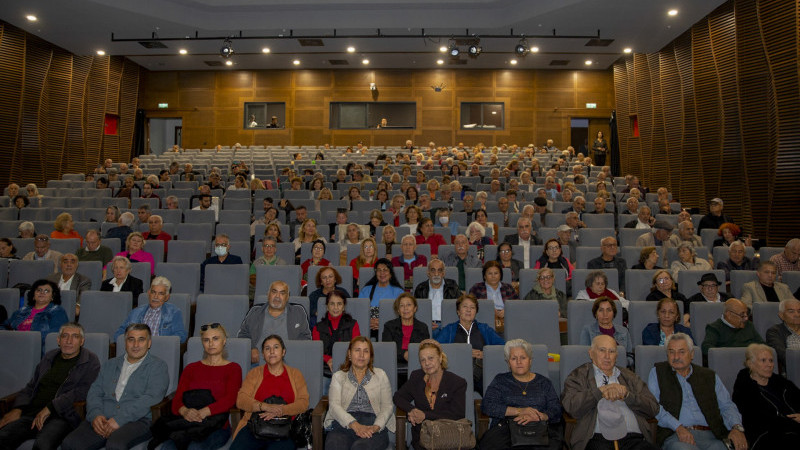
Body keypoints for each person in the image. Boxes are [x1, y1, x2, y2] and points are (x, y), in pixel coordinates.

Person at [61, 324, 169, 450]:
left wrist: (118, 420)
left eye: (141, 340)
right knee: (69, 443)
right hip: (103, 417)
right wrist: (96, 414)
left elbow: (151, 398)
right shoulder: (110, 364)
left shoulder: (158, 366)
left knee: (115, 445)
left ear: (149, 343)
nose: (135, 345)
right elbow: (95, 392)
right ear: (125, 342)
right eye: (131, 339)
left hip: (137, 420)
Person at [0, 323, 101, 450]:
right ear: (58, 340)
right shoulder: (49, 357)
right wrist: (18, 409)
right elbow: (31, 386)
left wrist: (51, 407)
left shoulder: (90, 360)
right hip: (31, 414)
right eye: (65, 336)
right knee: (2, 437)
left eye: (75, 337)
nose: (69, 341)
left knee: (42, 446)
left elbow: (83, 391)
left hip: (61, 416)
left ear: (82, 341)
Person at [647, 333, 748, 450]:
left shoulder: (709, 376)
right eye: (671, 352)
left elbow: (726, 405)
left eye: (681, 352)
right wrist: (678, 427)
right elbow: (654, 407)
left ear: (692, 354)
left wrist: (736, 427)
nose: (676, 357)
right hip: (676, 435)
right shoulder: (658, 372)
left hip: (712, 436)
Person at [150, 323, 242, 450]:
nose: (211, 343)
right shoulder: (191, 369)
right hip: (187, 423)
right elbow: (177, 400)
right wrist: (185, 411)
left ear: (224, 341)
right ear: (202, 343)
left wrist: (204, 412)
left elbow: (230, 399)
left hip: (216, 426)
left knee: (195, 448)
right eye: (206, 340)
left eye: (215, 339)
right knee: (167, 447)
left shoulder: (233, 368)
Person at [561, 335, 660, 450]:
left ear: (616, 356)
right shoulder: (578, 376)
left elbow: (653, 408)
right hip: (597, 439)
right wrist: (599, 392)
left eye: (612, 351)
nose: (607, 356)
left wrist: (628, 396)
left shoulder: (630, 377)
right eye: (602, 350)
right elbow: (571, 406)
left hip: (635, 439)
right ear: (591, 353)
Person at [229, 334, 309, 450]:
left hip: (284, 428)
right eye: (267, 348)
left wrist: (281, 410)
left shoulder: (295, 374)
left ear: (283, 352)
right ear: (263, 354)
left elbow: (303, 403)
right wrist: (264, 406)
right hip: (255, 427)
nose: (271, 351)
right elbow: (241, 400)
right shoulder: (254, 373)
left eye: (276, 347)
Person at [480, 339, 563, 450]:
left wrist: (540, 416)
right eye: (514, 358)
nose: (519, 362)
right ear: (508, 362)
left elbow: (556, 409)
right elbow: (487, 406)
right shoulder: (500, 381)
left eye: (523, 358)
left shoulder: (544, 382)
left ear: (530, 360)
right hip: (507, 432)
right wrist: (519, 411)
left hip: (539, 430)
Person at [392, 339, 467, 450]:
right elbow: (398, 397)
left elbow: (457, 414)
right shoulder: (416, 377)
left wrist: (425, 415)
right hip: (423, 439)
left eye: (431, 358)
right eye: (423, 360)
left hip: (449, 438)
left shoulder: (457, 382)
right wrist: (412, 410)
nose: (427, 363)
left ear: (440, 358)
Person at [324, 336, 394, 449]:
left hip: (373, 424)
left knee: (361, 447)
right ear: (349, 354)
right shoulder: (339, 376)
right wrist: (355, 425)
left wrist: (375, 427)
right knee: (334, 445)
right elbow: (334, 406)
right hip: (344, 424)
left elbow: (387, 406)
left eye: (366, 351)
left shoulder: (381, 375)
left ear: (370, 356)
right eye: (357, 350)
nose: (361, 355)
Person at [732, 343, 800, 448]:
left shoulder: (782, 383)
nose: (769, 365)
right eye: (763, 360)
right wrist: (791, 422)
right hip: (766, 436)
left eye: (771, 360)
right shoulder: (744, 387)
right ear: (750, 364)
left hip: (792, 430)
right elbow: (756, 419)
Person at [435, 294, 505, 394]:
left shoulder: (484, 329)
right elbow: (436, 349)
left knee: (493, 388)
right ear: (458, 311)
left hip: (481, 373)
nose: (469, 310)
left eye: (472, 307)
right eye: (465, 307)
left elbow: (503, 347)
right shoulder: (449, 330)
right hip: (457, 371)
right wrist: (464, 353)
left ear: (475, 312)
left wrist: (486, 354)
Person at [238, 281, 312, 365]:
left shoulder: (298, 312)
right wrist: (251, 348)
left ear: (287, 297)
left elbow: (306, 338)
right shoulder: (255, 312)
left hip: (288, 364)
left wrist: (291, 354)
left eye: (282, 293)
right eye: (274, 292)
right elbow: (243, 335)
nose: (277, 296)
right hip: (259, 363)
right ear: (268, 294)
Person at [113, 277, 188, 343]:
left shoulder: (173, 312)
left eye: (160, 294)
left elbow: (181, 336)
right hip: (136, 349)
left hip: (160, 350)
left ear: (167, 297)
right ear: (149, 293)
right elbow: (119, 334)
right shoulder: (136, 312)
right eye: (153, 292)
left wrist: (162, 343)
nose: (156, 296)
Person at [3, 279, 68, 350]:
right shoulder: (22, 310)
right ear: (33, 295)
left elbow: (55, 333)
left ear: (52, 296)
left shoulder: (57, 311)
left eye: (46, 291)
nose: (42, 293)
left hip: (37, 349)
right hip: (13, 345)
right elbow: (5, 325)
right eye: (39, 290)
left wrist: (27, 339)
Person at [312, 290, 361, 374]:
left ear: (343, 307)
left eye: (339, 304)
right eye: (332, 304)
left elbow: (356, 348)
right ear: (327, 306)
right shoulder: (317, 327)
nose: (335, 307)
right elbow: (316, 351)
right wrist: (328, 360)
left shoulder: (353, 324)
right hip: (324, 369)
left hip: (348, 368)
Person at [579, 297, 633, 367]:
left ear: (613, 313)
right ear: (596, 314)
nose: (605, 314)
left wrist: (621, 362)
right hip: (597, 369)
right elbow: (585, 356)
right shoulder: (588, 330)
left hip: (620, 369)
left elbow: (630, 357)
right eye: (601, 310)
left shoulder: (623, 331)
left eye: (609, 310)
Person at [468, 261, 518, 333]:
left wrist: (507, 310)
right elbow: (470, 306)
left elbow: (517, 305)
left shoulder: (508, 288)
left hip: (506, 320)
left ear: (500, 275)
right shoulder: (477, 288)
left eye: (496, 273)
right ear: (484, 276)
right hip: (485, 320)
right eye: (490, 273)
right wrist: (489, 310)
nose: (493, 276)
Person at [362, 258, 405, 338]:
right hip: (368, 327)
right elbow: (360, 312)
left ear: (390, 273)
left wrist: (382, 322)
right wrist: (368, 321)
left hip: (391, 328)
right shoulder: (366, 290)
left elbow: (403, 314)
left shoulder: (399, 292)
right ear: (376, 272)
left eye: (385, 270)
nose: (382, 273)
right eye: (379, 270)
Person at [413, 259, 460, 331]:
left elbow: (460, 308)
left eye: (440, 270)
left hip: (448, 326)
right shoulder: (420, 288)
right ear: (428, 273)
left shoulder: (453, 287)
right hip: (427, 326)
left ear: (443, 273)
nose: (436, 274)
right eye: (433, 270)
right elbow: (415, 311)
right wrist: (426, 323)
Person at [382, 293, 431, 363]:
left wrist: (412, 356)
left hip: (417, 363)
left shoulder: (423, 327)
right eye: (402, 305)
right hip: (394, 362)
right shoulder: (389, 326)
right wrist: (404, 354)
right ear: (398, 310)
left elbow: (425, 349)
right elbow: (387, 349)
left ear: (415, 308)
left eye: (409, 305)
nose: (405, 308)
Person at [765, 298, 800, 374]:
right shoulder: (774, 332)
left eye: (799, 311)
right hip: (792, 372)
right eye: (791, 311)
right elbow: (784, 356)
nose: (797, 315)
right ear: (781, 315)